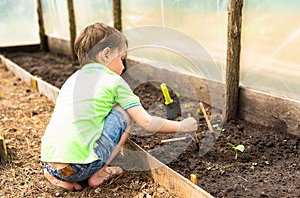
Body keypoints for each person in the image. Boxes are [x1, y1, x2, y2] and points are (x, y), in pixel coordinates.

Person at [41, 22, 197, 191]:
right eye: (121, 59)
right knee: (125, 113)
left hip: (51, 163)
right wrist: (182, 126)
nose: (123, 67)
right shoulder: (114, 81)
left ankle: (56, 177)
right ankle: (98, 172)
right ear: (106, 54)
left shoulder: (72, 79)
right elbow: (146, 122)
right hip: (80, 167)